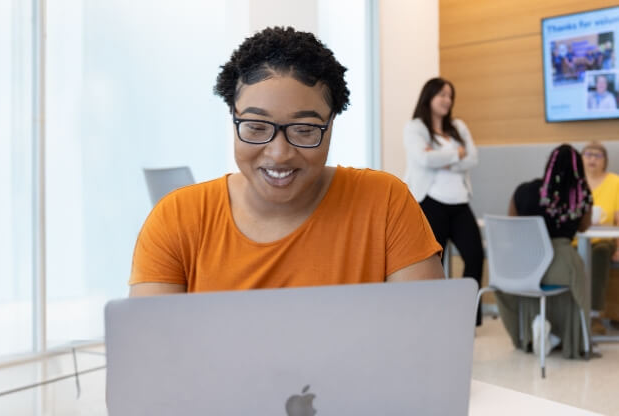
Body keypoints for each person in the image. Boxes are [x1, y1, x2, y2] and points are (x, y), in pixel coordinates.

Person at [129, 27, 443, 297]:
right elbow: (150, 357)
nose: (278, 153)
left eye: (304, 130)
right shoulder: (175, 220)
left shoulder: (385, 204)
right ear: (233, 119)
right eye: (256, 127)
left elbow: (431, 345)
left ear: (331, 124)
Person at [496, 144, 592, 359]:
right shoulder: (581, 195)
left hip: (526, 264)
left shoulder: (523, 191)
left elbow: (512, 224)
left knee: (532, 290)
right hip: (562, 263)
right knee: (576, 284)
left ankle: (531, 334)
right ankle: (569, 339)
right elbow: (584, 226)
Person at [403, 77, 484, 326]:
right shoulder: (416, 127)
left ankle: (468, 316)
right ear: (429, 97)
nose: (447, 100)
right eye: (442, 95)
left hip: (459, 202)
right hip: (431, 202)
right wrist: (454, 154)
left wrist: (439, 156)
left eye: (450, 96)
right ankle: (433, 316)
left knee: (475, 256)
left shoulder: (458, 126)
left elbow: (473, 158)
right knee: (433, 264)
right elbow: (422, 159)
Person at [581, 142, 619, 333]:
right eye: (588, 154)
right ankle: (572, 317)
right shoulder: (576, 183)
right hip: (578, 240)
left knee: (601, 251)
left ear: (605, 161)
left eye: (597, 156)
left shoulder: (615, 182)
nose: (592, 159)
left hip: (605, 240)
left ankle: (594, 316)